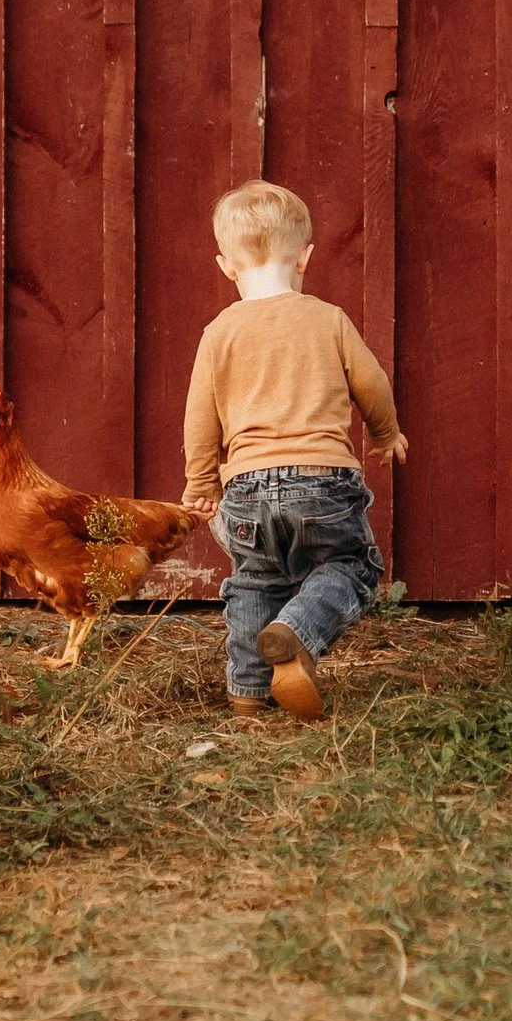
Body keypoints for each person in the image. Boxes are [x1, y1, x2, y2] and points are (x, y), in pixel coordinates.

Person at [181, 180, 406, 720]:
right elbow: (371, 384)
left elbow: (199, 415)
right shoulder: (327, 319)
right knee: (350, 564)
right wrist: (384, 434)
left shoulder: (219, 331)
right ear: (305, 258)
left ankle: (248, 697)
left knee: (256, 581)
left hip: (245, 488)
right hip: (321, 481)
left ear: (226, 267)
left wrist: (200, 483)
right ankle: (295, 630)